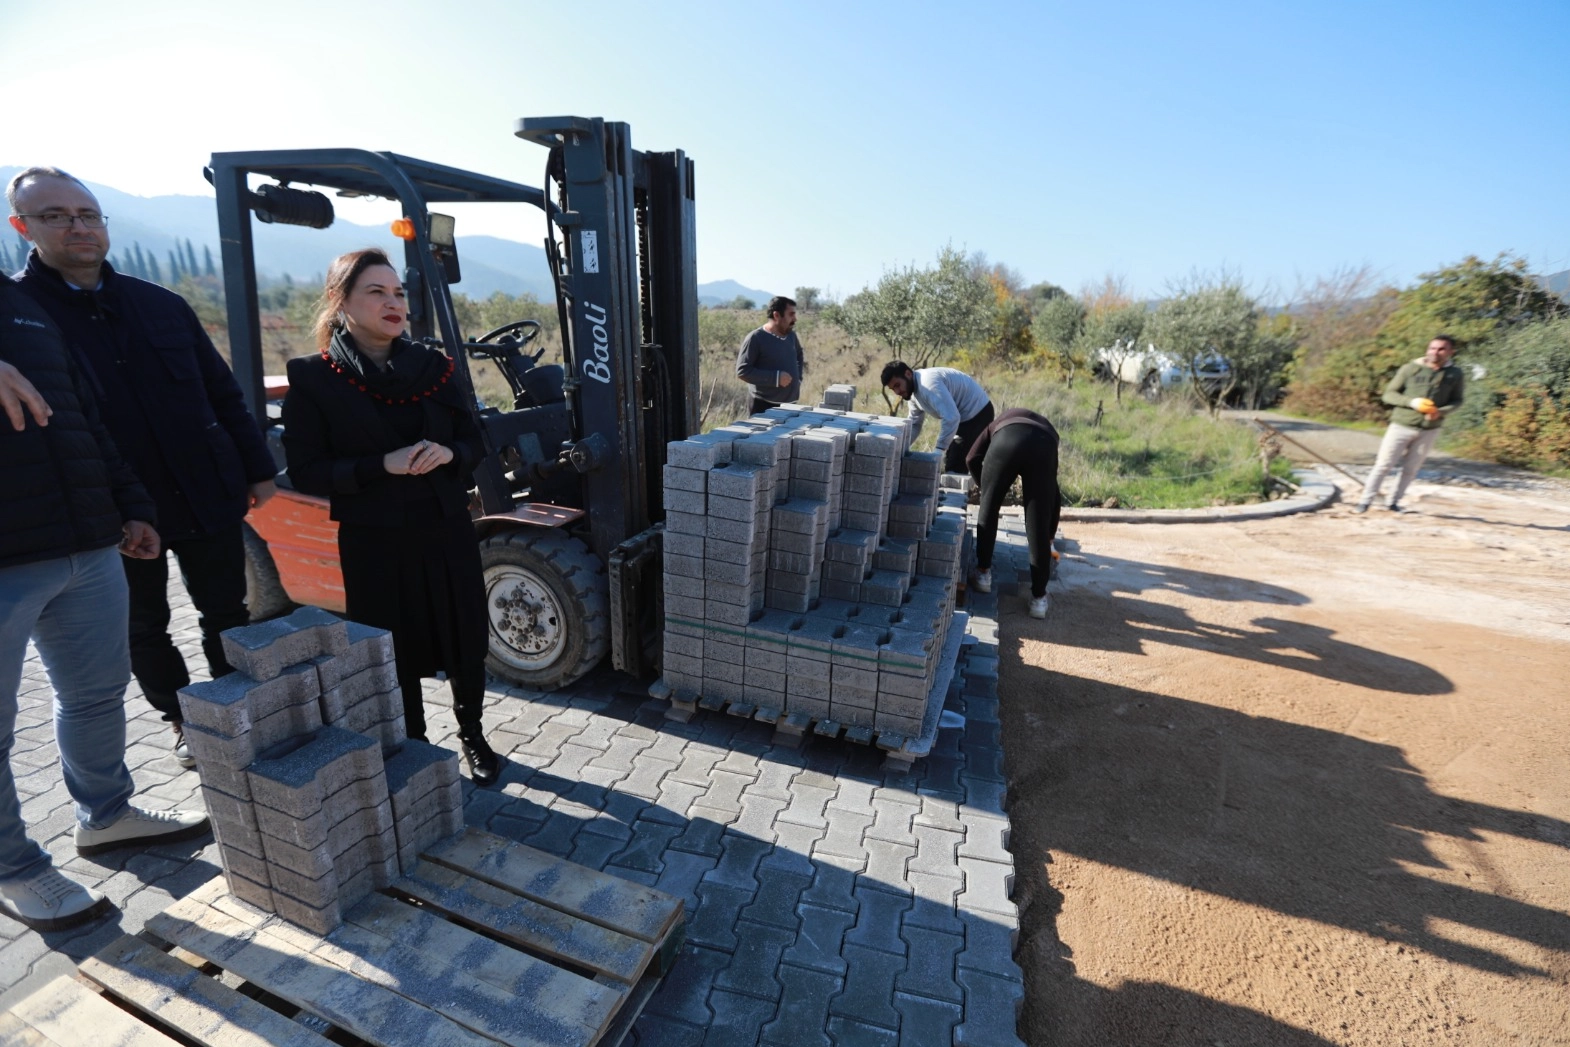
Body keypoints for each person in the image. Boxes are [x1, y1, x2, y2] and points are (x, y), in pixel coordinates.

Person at [8, 168, 278, 770]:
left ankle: (240, 708)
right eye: (56, 216)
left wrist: (257, 471)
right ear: (21, 227)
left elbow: (222, 393)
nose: (78, 225)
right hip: (113, 509)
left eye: (88, 213)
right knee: (143, 628)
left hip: (205, 489)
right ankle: (185, 720)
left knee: (227, 611)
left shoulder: (161, 304)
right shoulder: (18, 318)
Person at [0, 271, 210, 932]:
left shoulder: (24, 305)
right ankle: (14, 866)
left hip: (86, 543)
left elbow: (87, 417)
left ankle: (106, 815)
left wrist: (130, 506)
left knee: (95, 693)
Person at [281, 249, 500, 787]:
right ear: (341, 302)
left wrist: (450, 454)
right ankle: (414, 739)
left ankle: (472, 732)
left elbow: (474, 439)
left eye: (398, 292)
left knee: (463, 632)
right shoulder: (314, 377)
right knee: (391, 642)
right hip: (374, 536)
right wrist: (382, 464)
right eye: (376, 292)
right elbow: (306, 471)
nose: (393, 302)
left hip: (443, 524)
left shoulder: (434, 366)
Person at [966, 408, 1060, 619]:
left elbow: (972, 457)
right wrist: (1050, 533)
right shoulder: (1047, 429)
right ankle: (1038, 599)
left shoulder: (996, 424)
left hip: (1006, 441)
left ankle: (983, 575)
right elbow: (1055, 495)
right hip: (1045, 446)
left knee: (988, 509)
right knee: (1037, 525)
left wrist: (987, 488)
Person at [1354, 335, 1465, 514]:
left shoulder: (1455, 374)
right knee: (1383, 465)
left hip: (1430, 428)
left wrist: (1441, 412)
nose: (1435, 352)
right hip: (1402, 425)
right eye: (1432, 348)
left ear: (1451, 352)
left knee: (1411, 469)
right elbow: (1389, 394)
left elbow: (1458, 400)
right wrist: (1411, 402)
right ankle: (1365, 501)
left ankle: (1393, 502)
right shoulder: (1410, 369)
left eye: (1441, 349)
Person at [880, 361, 995, 473]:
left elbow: (951, 417)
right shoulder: (912, 392)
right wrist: (900, 448)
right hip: (961, 417)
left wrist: (938, 450)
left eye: (897, 385)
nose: (897, 391)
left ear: (908, 374)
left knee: (955, 467)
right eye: (893, 389)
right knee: (951, 461)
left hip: (977, 413)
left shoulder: (928, 384)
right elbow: (915, 424)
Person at [736, 295, 805, 414]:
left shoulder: (791, 336)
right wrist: (776, 378)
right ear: (776, 315)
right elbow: (743, 371)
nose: (795, 319)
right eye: (791, 314)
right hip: (763, 405)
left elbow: (799, 354)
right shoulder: (756, 338)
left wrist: (798, 378)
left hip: (791, 405)